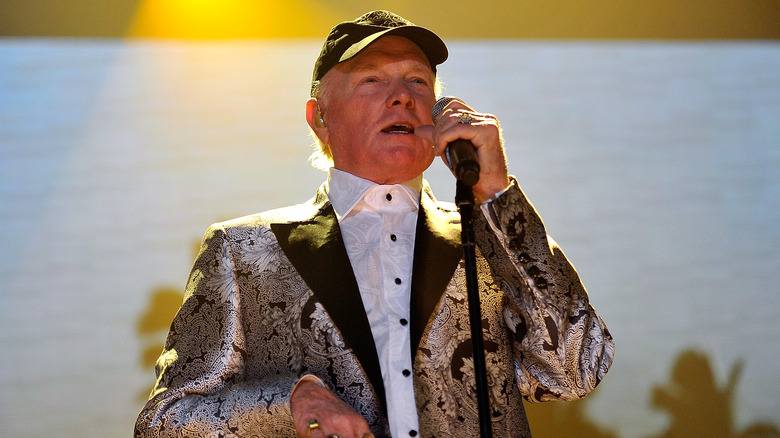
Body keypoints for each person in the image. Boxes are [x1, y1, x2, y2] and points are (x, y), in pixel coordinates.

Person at [135, 10, 614, 438]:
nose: (402, 97)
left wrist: (495, 194)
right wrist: (291, 403)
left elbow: (576, 370)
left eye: (418, 82)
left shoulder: (492, 242)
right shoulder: (243, 251)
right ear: (319, 116)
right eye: (372, 80)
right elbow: (165, 423)